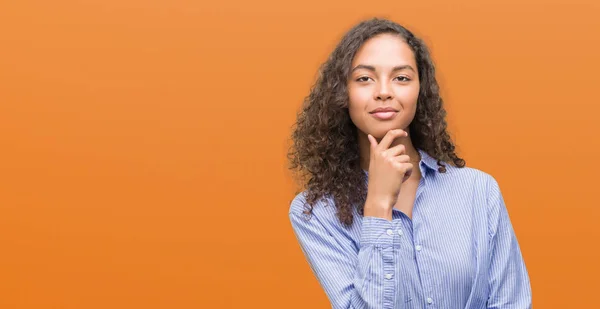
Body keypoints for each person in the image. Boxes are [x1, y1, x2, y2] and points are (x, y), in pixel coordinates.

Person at [287, 17, 532, 309]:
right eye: (364, 78)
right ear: (342, 93)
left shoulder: (479, 191)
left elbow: (512, 303)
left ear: (420, 91)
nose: (384, 91)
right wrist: (377, 205)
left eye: (401, 77)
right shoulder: (316, 212)